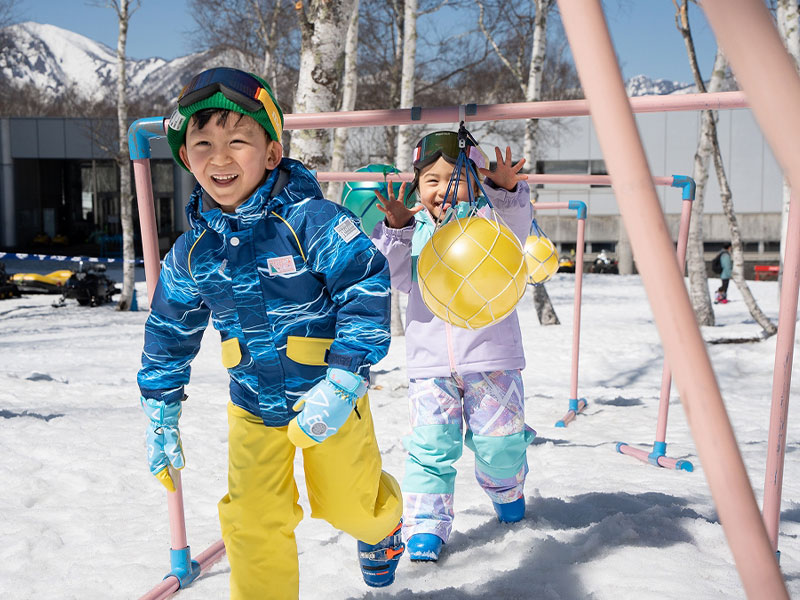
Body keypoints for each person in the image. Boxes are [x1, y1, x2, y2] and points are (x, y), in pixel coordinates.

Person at [137, 67, 404, 600]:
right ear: (186, 158)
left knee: (348, 505)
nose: (220, 158)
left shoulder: (313, 221)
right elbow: (170, 328)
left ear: (272, 153)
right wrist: (160, 409)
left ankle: (384, 527)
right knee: (253, 521)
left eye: (238, 141)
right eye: (204, 144)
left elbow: (366, 285)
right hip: (252, 405)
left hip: (332, 394)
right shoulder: (193, 252)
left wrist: (348, 375)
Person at [370, 130, 537, 562]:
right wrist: (397, 227)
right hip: (430, 364)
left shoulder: (492, 220)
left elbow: (517, 231)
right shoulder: (414, 230)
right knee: (431, 447)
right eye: (431, 180)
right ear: (417, 186)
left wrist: (505, 188)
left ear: (475, 182)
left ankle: (506, 485)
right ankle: (426, 525)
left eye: (455, 178)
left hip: (492, 357)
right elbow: (394, 277)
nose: (443, 189)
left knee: (499, 445)